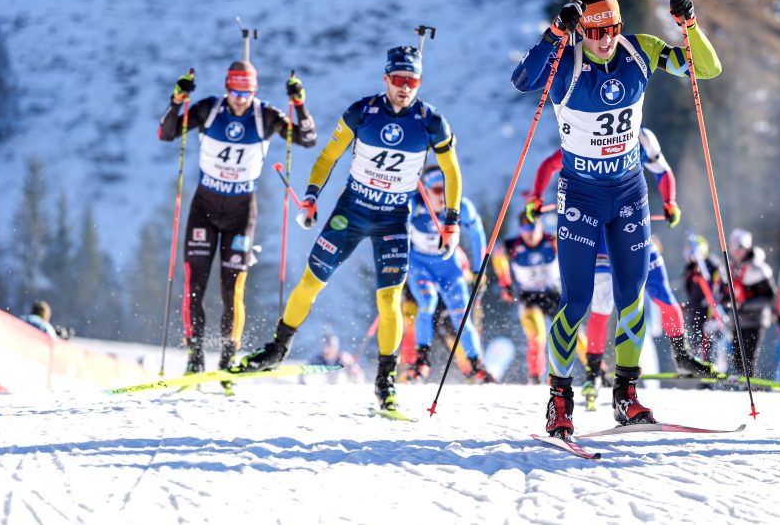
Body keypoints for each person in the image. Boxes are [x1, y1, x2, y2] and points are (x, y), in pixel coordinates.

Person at [512, 0, 722, 438]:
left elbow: (707, 69)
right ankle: (559, 401)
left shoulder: (639, 51)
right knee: (577, 301)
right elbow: (523, 80)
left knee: (632, 295)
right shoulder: (565, 62)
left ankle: (626, 396)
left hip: (629, 191)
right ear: (581, 29)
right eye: (594, 31)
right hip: (581, 195)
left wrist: (689, 24)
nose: (605, 39)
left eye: (612, 28)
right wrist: (555, 32)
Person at [237, 45, 463, 414]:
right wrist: (311, 198)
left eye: (413, 81)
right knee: (311, 281)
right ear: (385, 78)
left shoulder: (431, 121)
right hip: (352, 212)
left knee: (389, 300)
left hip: (393, 220)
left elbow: (451, 171)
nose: (405, 87)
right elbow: (328, 156)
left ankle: (385, 381)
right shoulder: (362, 111)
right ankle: (278, 349)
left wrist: (451, 221)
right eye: (399, 79)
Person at [158, 61, 316, 374]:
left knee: (233, 290)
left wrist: (299, 104)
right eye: (235, 92)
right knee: (194, 285)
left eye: (246, 93)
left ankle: (228, 356)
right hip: (204, 209)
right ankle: (195, 356)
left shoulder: (265, 116)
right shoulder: (209, 110)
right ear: (226, 88)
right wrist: (176, 101)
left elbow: (307, 138)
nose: (240, 99)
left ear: (254, 91)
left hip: (241, 214)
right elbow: (167, 133)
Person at [407, 165, 492, 383]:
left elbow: (477, 233)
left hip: (449, 268)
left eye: (446, 189)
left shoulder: (460, 207)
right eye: (437, 190)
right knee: (427, 302)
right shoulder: (414, 205)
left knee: (461, 315)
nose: (443, 196)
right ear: (426, 190)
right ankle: (421, 360)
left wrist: (479, 269)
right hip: (420, 266)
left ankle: (477, 365)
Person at [492, 211, 562, 385]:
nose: (529, 233)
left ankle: (596, 371)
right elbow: (497, 256)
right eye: (524, 229)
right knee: (536, 335)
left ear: (540, 226)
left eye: (532, 227)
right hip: (529, 297)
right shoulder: (512, 245)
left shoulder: (553, 241)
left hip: (553, 293)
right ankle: (535, 377)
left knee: (572, 334)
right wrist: (505, 284)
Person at [726, 228, 776, 377]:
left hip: (755, 320)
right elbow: (728, 293)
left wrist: (745, 305)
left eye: (739, 247)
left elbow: (769, 297)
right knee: (737, 360)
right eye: (732, 246)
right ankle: (745, 384)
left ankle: (752, 386)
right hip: (737, 320)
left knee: (748, 358)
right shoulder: (732, 267)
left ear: (747, 248)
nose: (735, 251)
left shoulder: (758, 268)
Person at [682, 232, 726, 367]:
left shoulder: (712, 266)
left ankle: (713, 373)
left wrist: (715, 313)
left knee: (711, 348)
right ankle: (699, 371)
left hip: (710, 313)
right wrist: (687, 306)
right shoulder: (690, 270)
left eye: (692, 251)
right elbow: (693, 295)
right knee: (697, 348)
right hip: (696, 314)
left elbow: (720, 289)